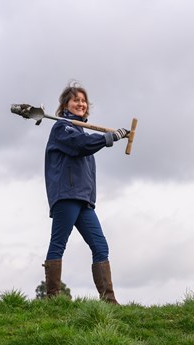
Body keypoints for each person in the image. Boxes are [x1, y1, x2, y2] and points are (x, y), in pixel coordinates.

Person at [42, 82, 129, 304]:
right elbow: (80, 145)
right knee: (59, 243)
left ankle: (109, 301)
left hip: (83, 199)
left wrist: (110, 137)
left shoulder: (78, 129)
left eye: (83, 101)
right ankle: (53, 298)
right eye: (76, 100)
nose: (81, 104)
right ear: (65, 105)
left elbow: (85, 143)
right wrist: (110, 137)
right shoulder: (62, 128)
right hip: (67, 196)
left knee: (100, 246)